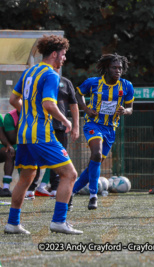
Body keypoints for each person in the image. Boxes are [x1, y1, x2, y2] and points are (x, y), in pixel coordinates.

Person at [4, 35, 82, 234]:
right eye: (63, 55)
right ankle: (59, 221)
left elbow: (14, 100)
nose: (64, 59)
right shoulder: (51, 75)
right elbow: (49, 104)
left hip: (23, 134)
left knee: (26, 178)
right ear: (55, 54)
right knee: (70, 174)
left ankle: (12, 223)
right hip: (42, 134)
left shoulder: (29, 72)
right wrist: (66, 121)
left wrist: (28, 114)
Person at [72, 54, 134, 210]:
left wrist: (124, 111)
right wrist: (85, 108)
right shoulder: (93, 83)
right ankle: (93, 196)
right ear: (107, 68)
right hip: (93, 124)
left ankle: (70, 192)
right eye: (114, 67)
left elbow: (130, 108)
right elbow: (77, 94)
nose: (118, 70)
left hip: (110, 129)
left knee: (94, 162)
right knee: (97, 154)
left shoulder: (126, 86)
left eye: (120, 68)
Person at [26, 68, 80, 198]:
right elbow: (46, 104)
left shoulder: (66, 82)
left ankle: (55, 188)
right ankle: (31, 188)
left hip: (60, 129)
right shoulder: (38, 79)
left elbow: (74, 105)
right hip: (41, 129)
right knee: (36, 159)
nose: (62, 60)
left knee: (59, 160)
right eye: (62, 55)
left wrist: (76, 126)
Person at [0, 110, 18, 197]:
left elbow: (2, 135)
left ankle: (6, 188)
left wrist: (8, 145)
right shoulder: (10, 116)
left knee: (9, 152)